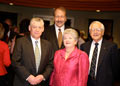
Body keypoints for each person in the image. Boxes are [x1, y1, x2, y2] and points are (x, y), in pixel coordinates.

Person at [12, 17, 53, 86]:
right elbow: (15, 62)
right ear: (29, 28)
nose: (37, 30)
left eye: (40, 27)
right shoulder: (20, 42)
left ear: (43, 29)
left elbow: (51, 63)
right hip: (22, 82)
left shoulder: (48, 45)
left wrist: (43, 76)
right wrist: (28, 77)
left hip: (41, 83)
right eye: (34, 27)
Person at [80, 21, 119, 86]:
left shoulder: (111, 47)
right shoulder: (83, 46)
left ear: (103, 32)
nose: (95, 32)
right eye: (93, 30)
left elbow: (115, 67)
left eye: (98, 30)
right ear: (89, 32)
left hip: (105, 82)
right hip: (87, 82)